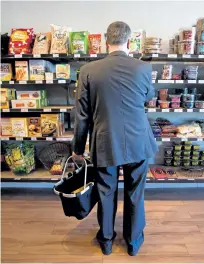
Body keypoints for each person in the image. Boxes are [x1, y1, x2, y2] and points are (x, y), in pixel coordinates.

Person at [72, 21, 157, 256]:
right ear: (129, 42)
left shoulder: (89, 70)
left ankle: (107, 241)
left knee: (105, 191)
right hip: (137, 140)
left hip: (105, 140)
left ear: (105, 42)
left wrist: (78, 147)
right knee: (135, 192)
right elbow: (146, 97)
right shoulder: (144, 68)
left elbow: (82, 113)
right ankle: (133, 242)